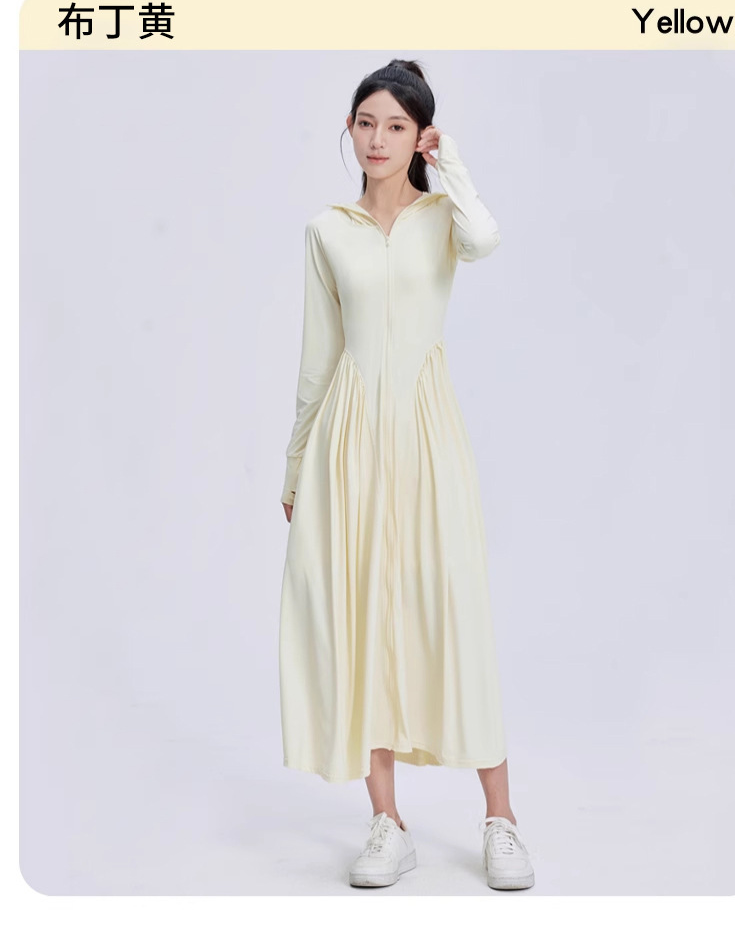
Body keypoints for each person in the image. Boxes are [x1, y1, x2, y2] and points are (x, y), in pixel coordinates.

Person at [278, 59, 535, 891]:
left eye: (396, 125)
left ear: (418, 134)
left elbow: (487, 238)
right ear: (349, 130)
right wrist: (296, 465)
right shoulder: (327, 230)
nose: (377, 139)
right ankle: (388, 821)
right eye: (366, 122)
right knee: (362, 619)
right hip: (347, 442)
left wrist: (447, 160)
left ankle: (501, 818)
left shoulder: (442, 218)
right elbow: (317, 357)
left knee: (452, 610)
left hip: (428, 438)